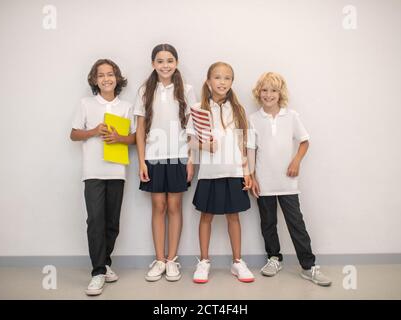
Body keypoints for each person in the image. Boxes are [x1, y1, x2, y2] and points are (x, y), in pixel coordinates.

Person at [247, 72, 331, 286]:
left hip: (287, 182)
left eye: (273, 90)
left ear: (280, 93)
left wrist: (296, 161)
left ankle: (308, 266)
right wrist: (252, 176)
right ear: (259, 93)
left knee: (296, 224)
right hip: (263, 181)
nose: (268, 94)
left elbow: (304, 141)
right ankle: (274, 258)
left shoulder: (291, 116)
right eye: (264, 90)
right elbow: (250, 150)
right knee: (268, 223)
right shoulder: (253, 119)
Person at [70, 59, 136, 295]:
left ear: (117, 78)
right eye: (101, 75)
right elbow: (74, 134)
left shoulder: (126, 106)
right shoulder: (86, 104)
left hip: (117, 171)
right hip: (93, 172)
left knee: (112, 223)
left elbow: (134, 138)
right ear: (94, 79)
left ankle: (105, 263)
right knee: (95, 221)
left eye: (110, 74)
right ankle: (98, 272)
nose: (106, 78)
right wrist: (94, 131)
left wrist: (120, 138)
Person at [134, 44, 196, 282]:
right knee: (158, 207)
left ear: (176, 62)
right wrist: (141, 161)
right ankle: (159, 260)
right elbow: (139, 129)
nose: (165, 65)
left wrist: (191, 160)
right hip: (153, 156)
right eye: (160, 61)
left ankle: (172, 261)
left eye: (170, 60)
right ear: (153, 64)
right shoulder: (144, 91)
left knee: (174, 207)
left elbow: (193, 128)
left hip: (179, 156)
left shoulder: (187, 90)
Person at [187, 62, 254, 283]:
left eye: (227, 78)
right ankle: (204, 262)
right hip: (209, 173)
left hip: (233, 172)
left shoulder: (238, 109)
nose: (222, 82)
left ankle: (237, 262)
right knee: (206, 216)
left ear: (232, 82)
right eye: (217, 77)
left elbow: (243, 143)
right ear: (208, 81)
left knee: (233, 217)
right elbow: (189, 140)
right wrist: (205, 146)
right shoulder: (198, 108)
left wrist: (247, 171)